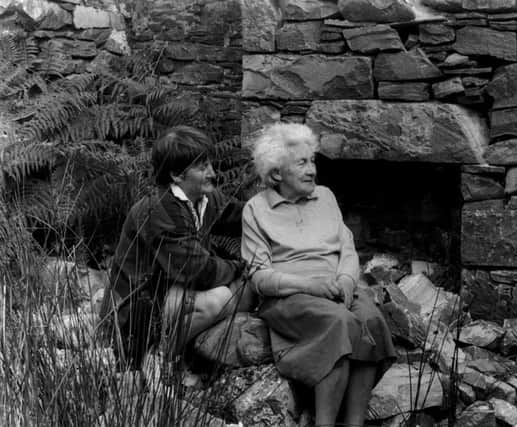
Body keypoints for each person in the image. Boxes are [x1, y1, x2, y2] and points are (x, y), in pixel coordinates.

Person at [241, 123, 396, 427]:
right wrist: (311, 286)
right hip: (290, 297)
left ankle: (354, 423)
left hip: (338, 288)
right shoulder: (256, 210)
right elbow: (258, 277)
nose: (312, 170)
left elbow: (347, 249)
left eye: (312, 161)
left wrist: (348, 282)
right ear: (276, 174)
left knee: (371, 320)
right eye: (301, 163)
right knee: (340, 323)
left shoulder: (325, 196)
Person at [99, 125, 255, 368]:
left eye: (209, 164)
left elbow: (241, 216)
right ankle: (160, 356)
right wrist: (240, 266)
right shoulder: (158, 211)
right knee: (219, 299)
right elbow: (198, 272)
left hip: (174, 293)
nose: (212, 172)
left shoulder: (204, 198)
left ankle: (190, 355)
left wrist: (279, 205)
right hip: (138, 311)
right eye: (202, 167)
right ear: (176, 175)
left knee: (246, 293)